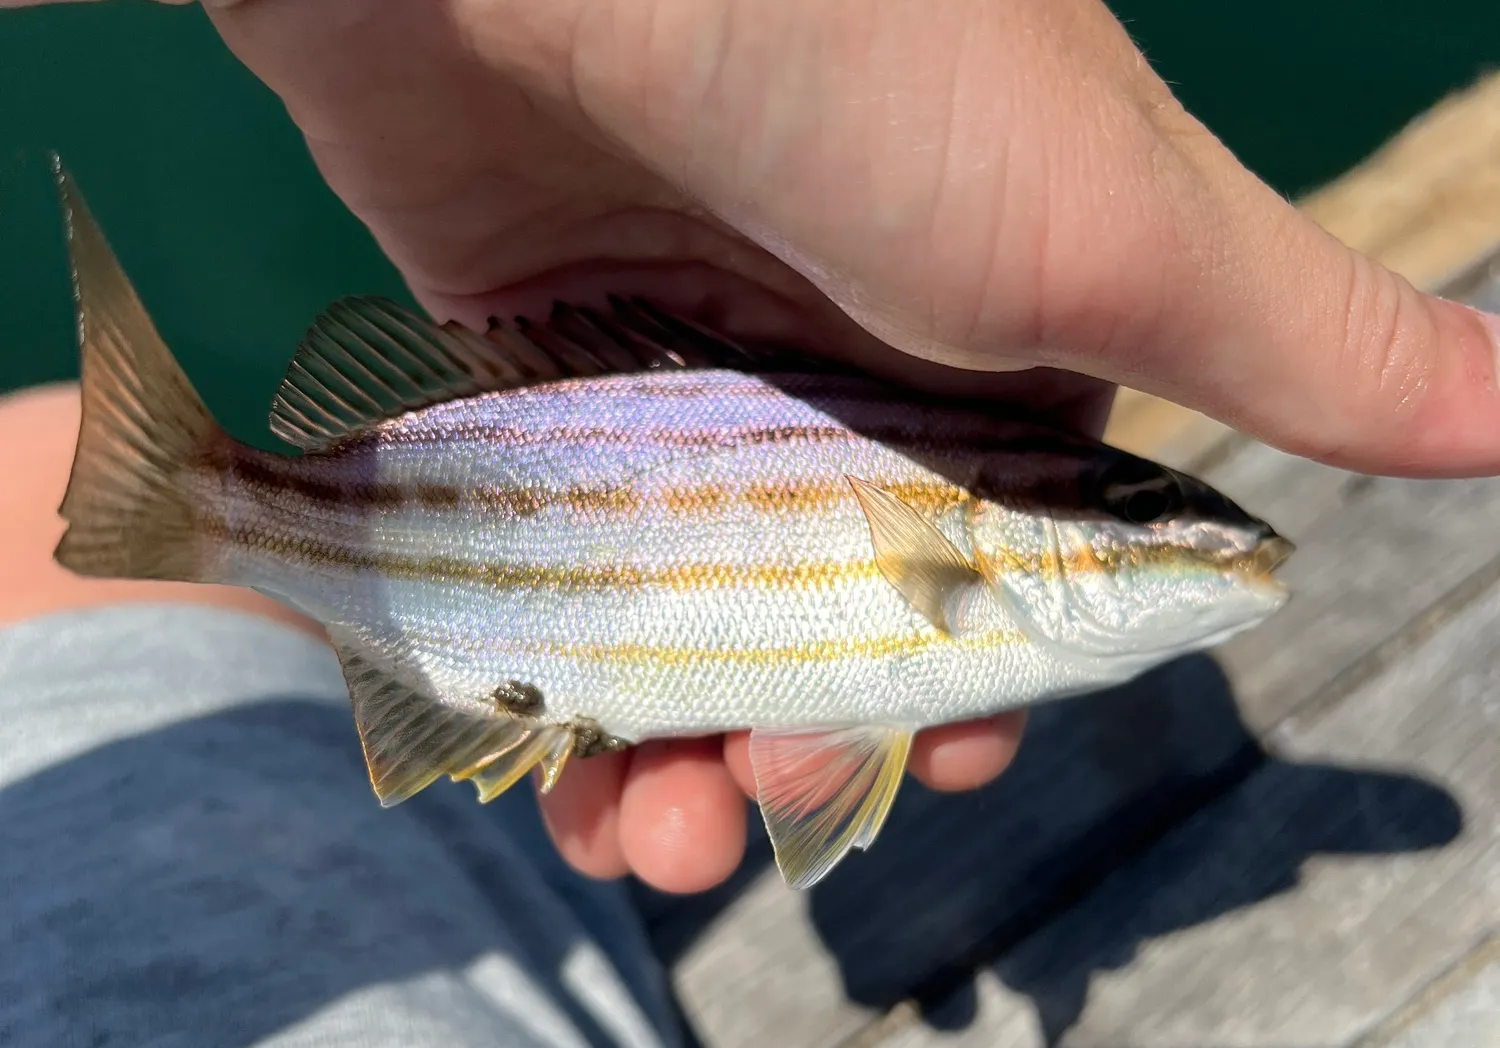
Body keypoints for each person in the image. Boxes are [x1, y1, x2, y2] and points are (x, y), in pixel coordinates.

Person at [3, 1, 1497, 1045]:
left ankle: (188, 502)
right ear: (1032, 533)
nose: (1225, 550)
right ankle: (187, 503)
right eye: (1146, 511)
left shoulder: (970, 570)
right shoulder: (962, 566)